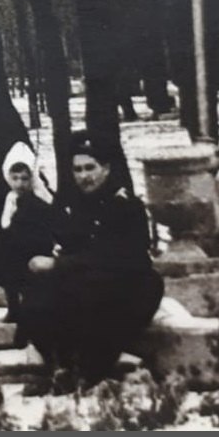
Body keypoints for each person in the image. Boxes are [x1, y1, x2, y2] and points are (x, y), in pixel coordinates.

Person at [19, 139, 164, 384]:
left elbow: (114, 256)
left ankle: (90, 372)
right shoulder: (75, 203)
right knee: (37, 295)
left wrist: (59, 265)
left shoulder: (125, 205)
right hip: (87, 278)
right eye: (78, 170)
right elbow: (66, 238)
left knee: (95, 301)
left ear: (105, 169)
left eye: (90, 168)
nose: (84, 176)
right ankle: (60, 365)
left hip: (130, 283)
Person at [0, 143, 56, 324]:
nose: (20, 183)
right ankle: (13, 306)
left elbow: (47, 223)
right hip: (12, 249)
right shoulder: (8, 198)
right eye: (15, 178)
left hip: (33, 246)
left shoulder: (40, 197)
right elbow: (4, 224)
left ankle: (30, 306)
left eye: (24, 178)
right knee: (3, 253)